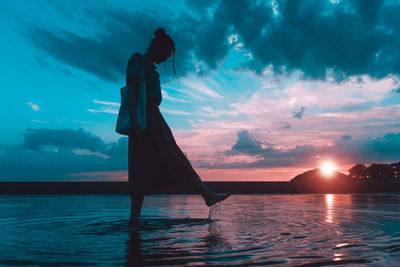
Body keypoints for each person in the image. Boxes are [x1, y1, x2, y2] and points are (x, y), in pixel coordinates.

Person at [127, 28, 231, 225]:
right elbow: (133, 91)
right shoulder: (138, 60)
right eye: (165, 54)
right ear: (158, 47)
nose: (166, 59)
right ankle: (134, 219)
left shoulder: (150, 68)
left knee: (160, 160)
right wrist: (136, 121)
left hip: (152, 117)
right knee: (148, 163)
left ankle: (134, 220)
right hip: (145, 118)